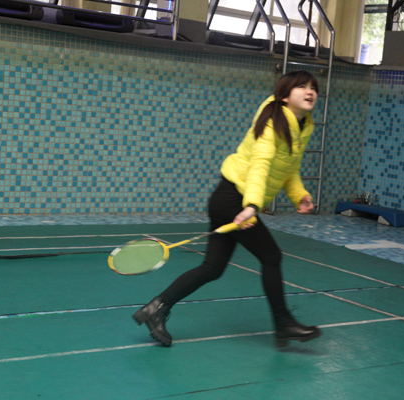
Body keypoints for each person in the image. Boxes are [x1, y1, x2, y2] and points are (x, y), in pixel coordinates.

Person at [133, 71, 322, 348]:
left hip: (231, 200)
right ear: (284, 95)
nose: (310, 91)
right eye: (302, 86)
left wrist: (299, 196)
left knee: (212, 268)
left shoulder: (302, 126)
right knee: (271, 256)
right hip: (233, 200)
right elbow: (260, 165)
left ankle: (156, 308)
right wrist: (251, 206)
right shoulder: (273, 122)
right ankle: (283, 324)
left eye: (313, 87)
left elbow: (288, 169)